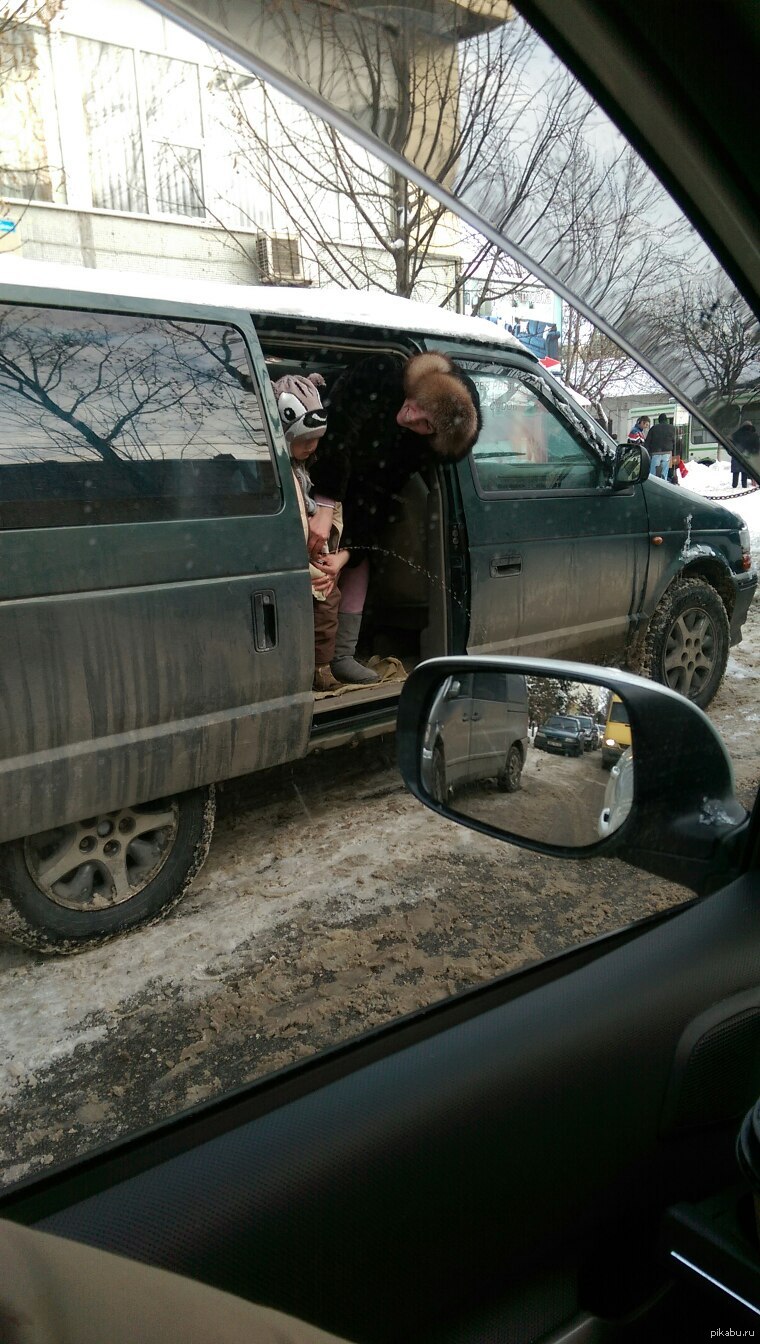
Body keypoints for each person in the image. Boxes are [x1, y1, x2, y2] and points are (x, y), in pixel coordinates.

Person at [308, 351, 482, 685]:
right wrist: (326, 502)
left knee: (356, 562)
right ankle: (310, 657)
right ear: (425, 390)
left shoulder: (409, 445)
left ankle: (340, 655)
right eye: (422, 411)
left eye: (426, 427)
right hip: (308, 481)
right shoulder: (381, 373)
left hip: (351, 502)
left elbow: (379, 500)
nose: (412, 421)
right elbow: (336, 434)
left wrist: (349, 553)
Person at [272, 373, 351, 692]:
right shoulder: (275, 469)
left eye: (317, 439)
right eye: (304, 440)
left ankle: (321, 665)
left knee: (327, 604)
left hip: (313, 556)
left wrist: (335, 554)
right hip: (287, 554)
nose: (311, 447)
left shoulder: (312, 466)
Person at [644, 413, 676, 480]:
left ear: (659, 420)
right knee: (664, 472)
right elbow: (675, 441)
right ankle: (663, 484)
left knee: (652, 473)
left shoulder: (653, 428)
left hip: (655, 453)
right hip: (667, 453)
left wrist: (648, 453)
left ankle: (652, 483)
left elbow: (647, 442)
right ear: (666, 420)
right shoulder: (672, 428)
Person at [730, 420, 759, 489]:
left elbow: (730, 444)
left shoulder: (736, 434)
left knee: (735, 472)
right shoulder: (754, 435)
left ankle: (734, 486)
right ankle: (744, 485)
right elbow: (757, 447)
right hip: (747, 457)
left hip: (736, 456)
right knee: (745, 472)